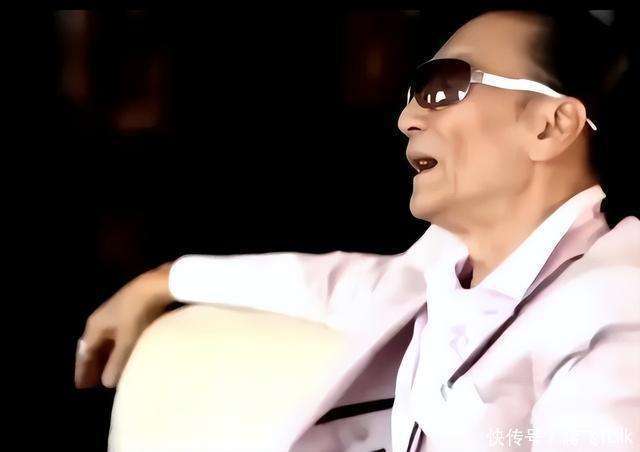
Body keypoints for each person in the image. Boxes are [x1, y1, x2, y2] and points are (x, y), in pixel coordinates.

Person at [75, 7, 639, 451]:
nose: (408, 119)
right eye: (414, 95)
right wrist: (163, 281)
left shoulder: (615, 305)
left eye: (443, 87)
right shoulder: (445, 271)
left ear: (550, 125)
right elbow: (330, 282)